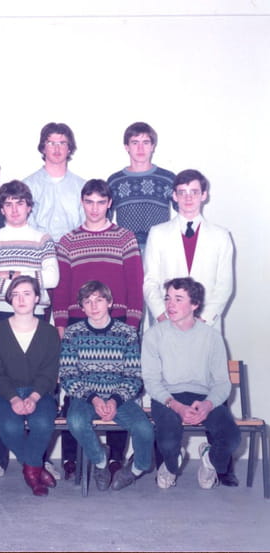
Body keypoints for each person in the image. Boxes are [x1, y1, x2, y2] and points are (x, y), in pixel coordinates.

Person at [52, 178, 144, 478]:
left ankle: (115, 457)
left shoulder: (125, 238)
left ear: (109, 203)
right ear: (82, 203)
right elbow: (61, 288)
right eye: (89, 202)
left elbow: (135, 284)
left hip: (119, 322)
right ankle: (71, 459)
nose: (94, 208)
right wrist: (61, 324)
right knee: (75, 392)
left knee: (119, 389)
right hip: (78, 322)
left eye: (100, 202)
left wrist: (132, 325)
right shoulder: (68, 241)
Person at [142, 277, 240, 490]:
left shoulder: (212, 337)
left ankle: (209, 459)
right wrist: (176, 405)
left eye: (178, 299)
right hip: (168, 398)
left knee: (232, 438)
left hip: (202, 397)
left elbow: (222, 383)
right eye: (168, 298)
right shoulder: (154, 335)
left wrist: (208, 404)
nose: (170, 304)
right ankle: (171, 463)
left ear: (194, 304)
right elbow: (151, 381)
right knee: (168, 442)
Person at [60, 281, 154, 492]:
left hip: (119, 398)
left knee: (145, 430)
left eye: (99, 300)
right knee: (75, 421)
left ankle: (136, 470)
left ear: (110, 303)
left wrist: (114, 400)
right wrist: (94, 399)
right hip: (85, 398)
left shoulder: (127, 333)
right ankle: (100, 461)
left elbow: (134, 376)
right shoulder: (72, 333)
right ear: (82, 307)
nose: (94, 306)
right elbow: (68, 375)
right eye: (88, 302)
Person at [0, 276, 60, 496]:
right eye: (15, 295)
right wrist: (14, 398)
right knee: (11, 427)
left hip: (40, 392)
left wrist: (34, 397)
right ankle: (34, 470)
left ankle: (31, 469)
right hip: (4, 393)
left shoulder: (49, 332)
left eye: (27, 294)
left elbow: (50, 371)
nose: (21, 299)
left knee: (43, 423)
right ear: (9, 299)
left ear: (37, 298)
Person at [143, 169, 234, 330]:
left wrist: (204, 320)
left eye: (194, 192)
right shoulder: (157, 233)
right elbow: (150, 281)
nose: (188, 197)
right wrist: (163, 316)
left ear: (204, 195)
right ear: (174, 196)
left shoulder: (221, 236)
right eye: (182, 192)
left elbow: (224, 285)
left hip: (206, 325)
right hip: (167, 324)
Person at [0, 180, 59, 326]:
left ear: (29, 207)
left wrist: (11, 274)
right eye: (8, 205)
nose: (14, 210)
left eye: (20, 203)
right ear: (2, 210)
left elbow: (52, 279)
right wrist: (30, 282)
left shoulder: (43, 239)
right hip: (0, 310)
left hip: (35, 311)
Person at [107, 122, 176, 251]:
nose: (140, 148)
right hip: (126, 251)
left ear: (152, 147)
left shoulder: (167, 179)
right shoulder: (114, 181)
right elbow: (104, 221)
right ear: (126, 147)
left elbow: (184, 214)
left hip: (161, 249)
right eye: (135, 143)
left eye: (145, 143)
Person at [23, 122, 86, 242]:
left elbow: (85, 223)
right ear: (43, 148)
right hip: (38, 248)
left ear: (69, 148)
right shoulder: (27, 186)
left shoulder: (82, 186)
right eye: (51, 143)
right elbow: (25, 224)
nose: (57, 149)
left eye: (62, 143)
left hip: (74, 248)